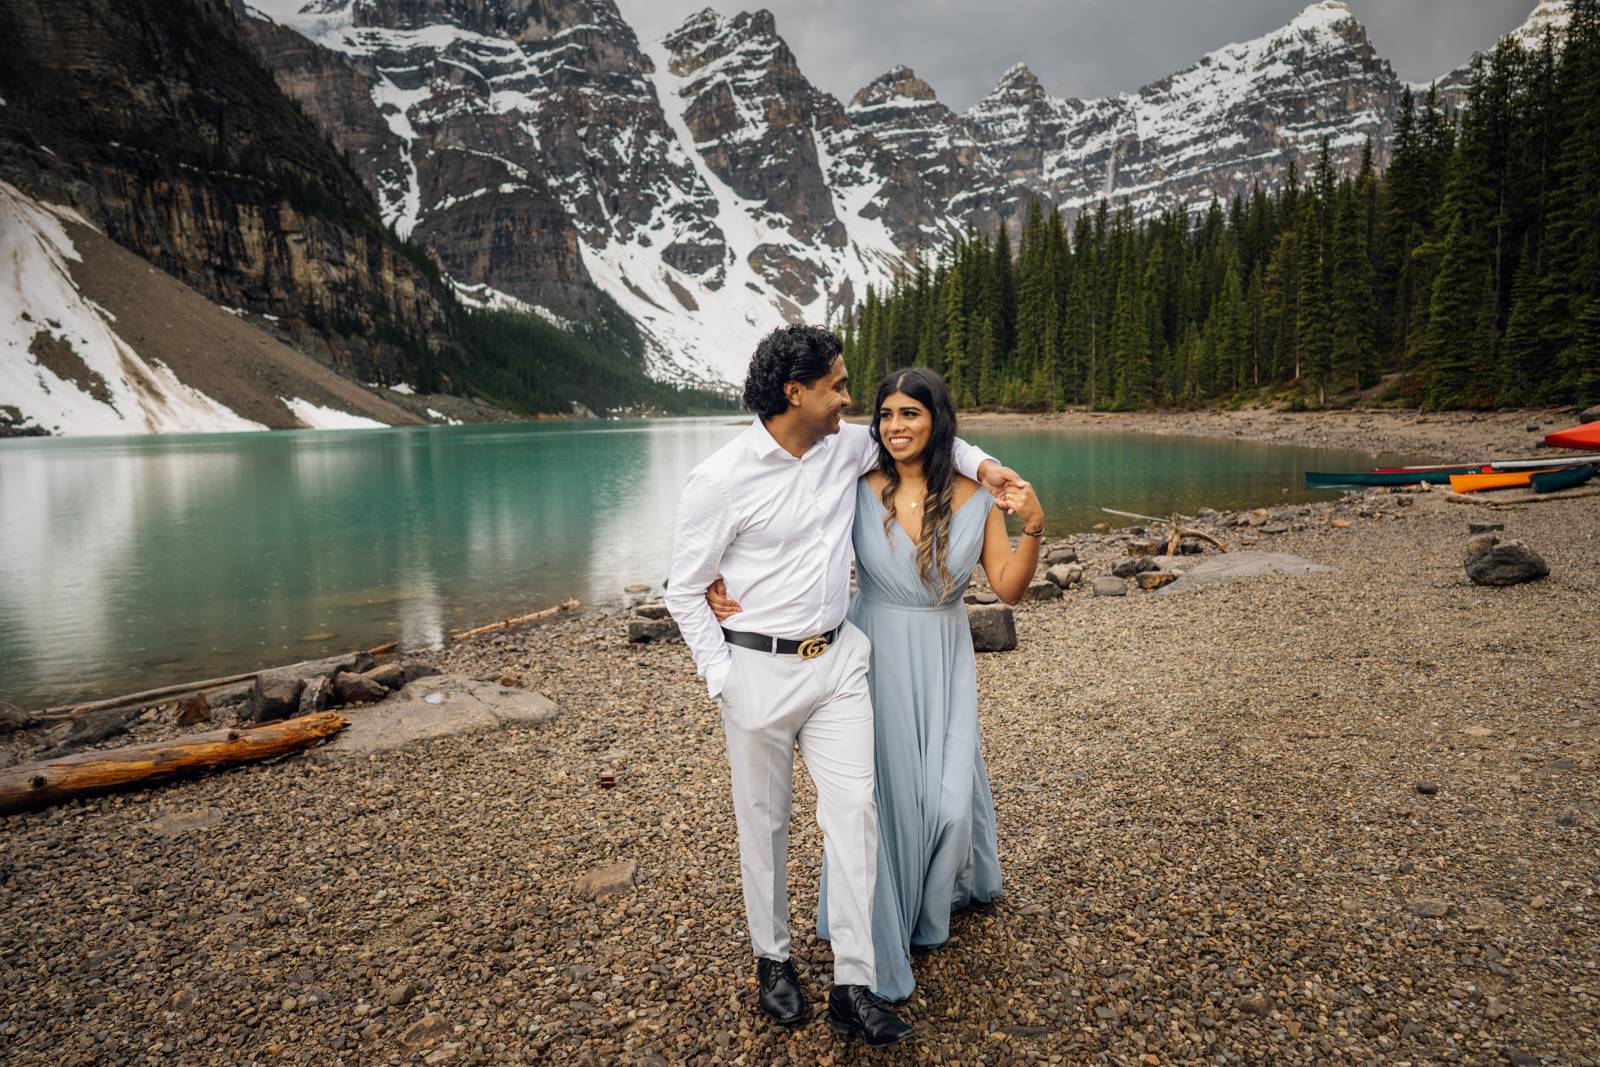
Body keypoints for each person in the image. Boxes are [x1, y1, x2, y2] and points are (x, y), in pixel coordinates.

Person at [664, 327, 1024, 1048]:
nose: (851, 401)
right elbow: (682, 588)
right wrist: (723, 679)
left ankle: (853, 984)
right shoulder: (720, 478)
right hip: (756, 670)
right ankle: (774, 960)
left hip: (839, 663)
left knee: (856, 814)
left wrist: (991, 469)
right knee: (763, 824)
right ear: (794, 392)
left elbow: (934, 439)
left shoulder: (844, 446)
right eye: (837, 385)